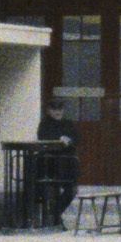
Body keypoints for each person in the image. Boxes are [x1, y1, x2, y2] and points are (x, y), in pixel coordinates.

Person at [36, 94, 80, 227]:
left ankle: (54, 214)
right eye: (54, 109)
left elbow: (77, 138)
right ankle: (54, 219)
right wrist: (60, 139)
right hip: (50, 165)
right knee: (51, 192)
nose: (57, 111)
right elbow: (43, 137)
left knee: (72, 190)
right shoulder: (44, 124)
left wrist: (69, 140)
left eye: (60, 108)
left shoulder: (68, 123)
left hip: (67, 165)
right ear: (48, 110)